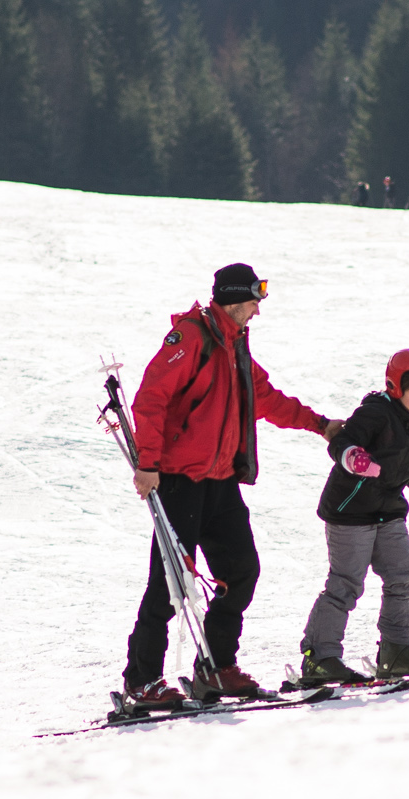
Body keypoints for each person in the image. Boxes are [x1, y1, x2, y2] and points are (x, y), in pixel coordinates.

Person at [121, 264, 344, 705]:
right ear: (236, 301)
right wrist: (148, 463)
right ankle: (141, 680)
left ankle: (216, 668)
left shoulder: (236, 347)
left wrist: (320, 426)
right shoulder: (191, 339)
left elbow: (268, 399)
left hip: (221, 483)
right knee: (170, 582)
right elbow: (151, 399)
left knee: (241, 570)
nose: (258, 311)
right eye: (255, 302)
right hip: (180, 482)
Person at [299, 349, 409, 684]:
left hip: (388, 514)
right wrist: (353, 456)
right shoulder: (374, 414)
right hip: (350, 512)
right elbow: (342, 441)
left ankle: (397, 651)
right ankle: (319, 657)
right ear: (396, 386)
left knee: (405, 577)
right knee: (346, 585)